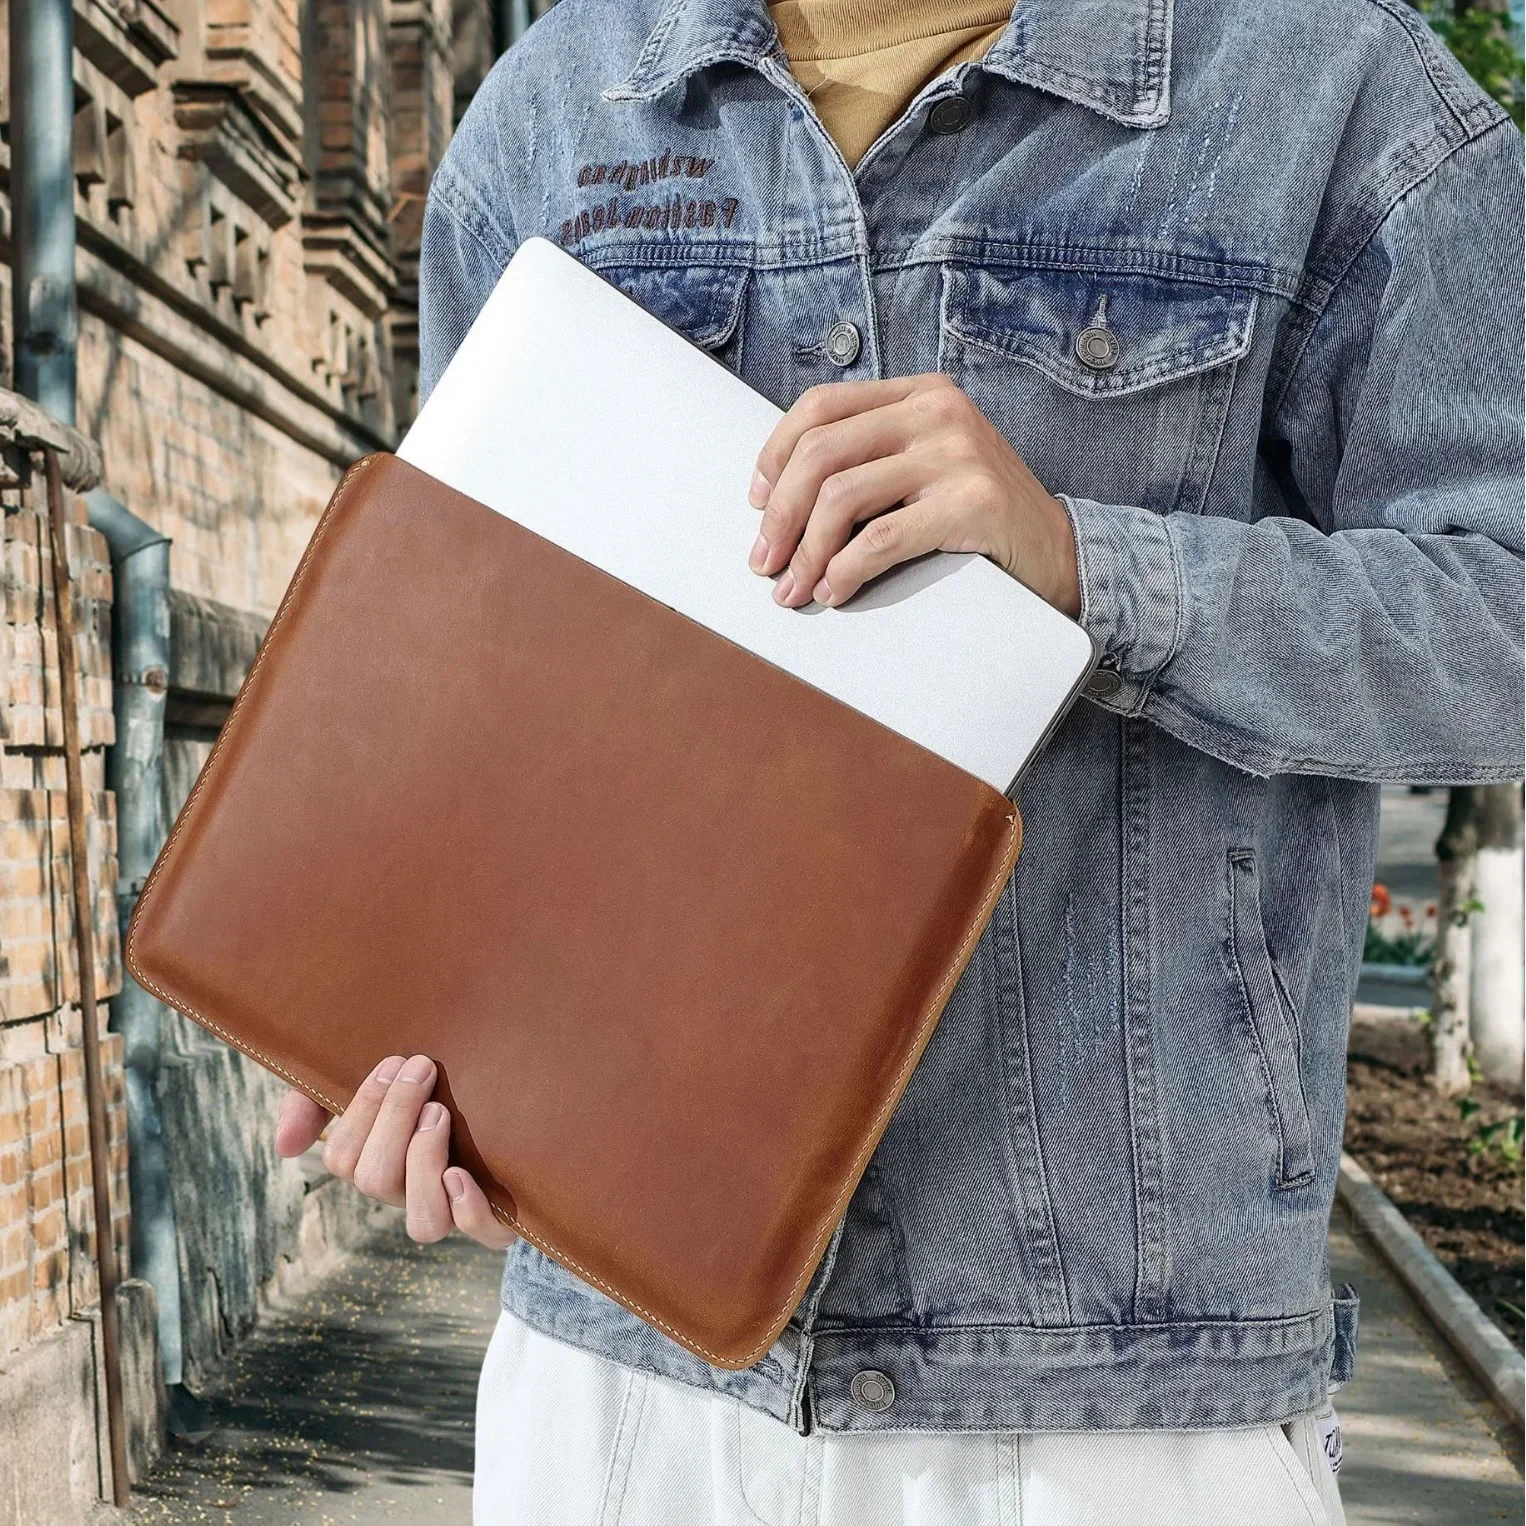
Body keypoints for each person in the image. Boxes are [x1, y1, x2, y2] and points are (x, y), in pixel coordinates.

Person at [274, 1, 1525, 1521]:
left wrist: (1084, 566)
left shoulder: (1329, 87)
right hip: (622, 1393)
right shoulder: (556, 110)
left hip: (1120, 1415)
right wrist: (428, 1036)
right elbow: (474, 695)